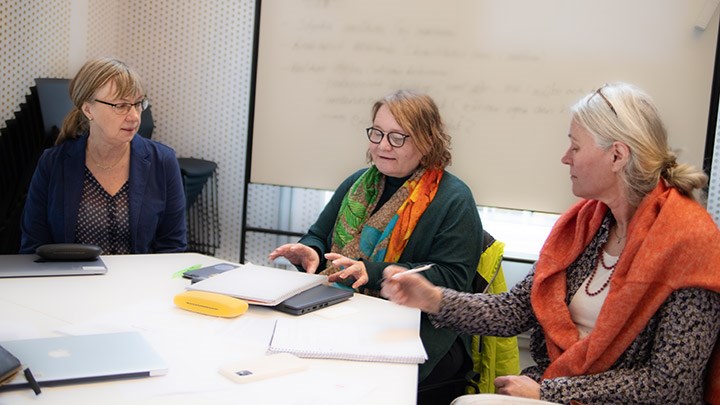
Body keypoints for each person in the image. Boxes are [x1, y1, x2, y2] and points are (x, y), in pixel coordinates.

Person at [381, 82, 720, 404]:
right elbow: (514, 311)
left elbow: (671, 383)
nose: (565, 158)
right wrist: (432, 298)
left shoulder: (692, 243)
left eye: (575, 146)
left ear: (617, 156)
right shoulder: (585, 226)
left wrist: (550, 393)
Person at [269, 90, 484, 402]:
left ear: (426, 141)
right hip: (346, 313)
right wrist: (310, 251)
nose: (383, 145)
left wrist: (372, 272)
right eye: (377, 133)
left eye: (398, 137)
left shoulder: (454, 199)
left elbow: (452, 279)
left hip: (421, 331)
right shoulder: (358, 183)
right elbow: (318, 236)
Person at [20, 57, 187, 254]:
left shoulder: (163, 161)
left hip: (139, 283)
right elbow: (34, 247)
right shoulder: (53, 163)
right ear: (88, 109)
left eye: (138, 104)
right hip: (70, 282)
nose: (134, 116)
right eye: (120, 105)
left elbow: (172, 247)